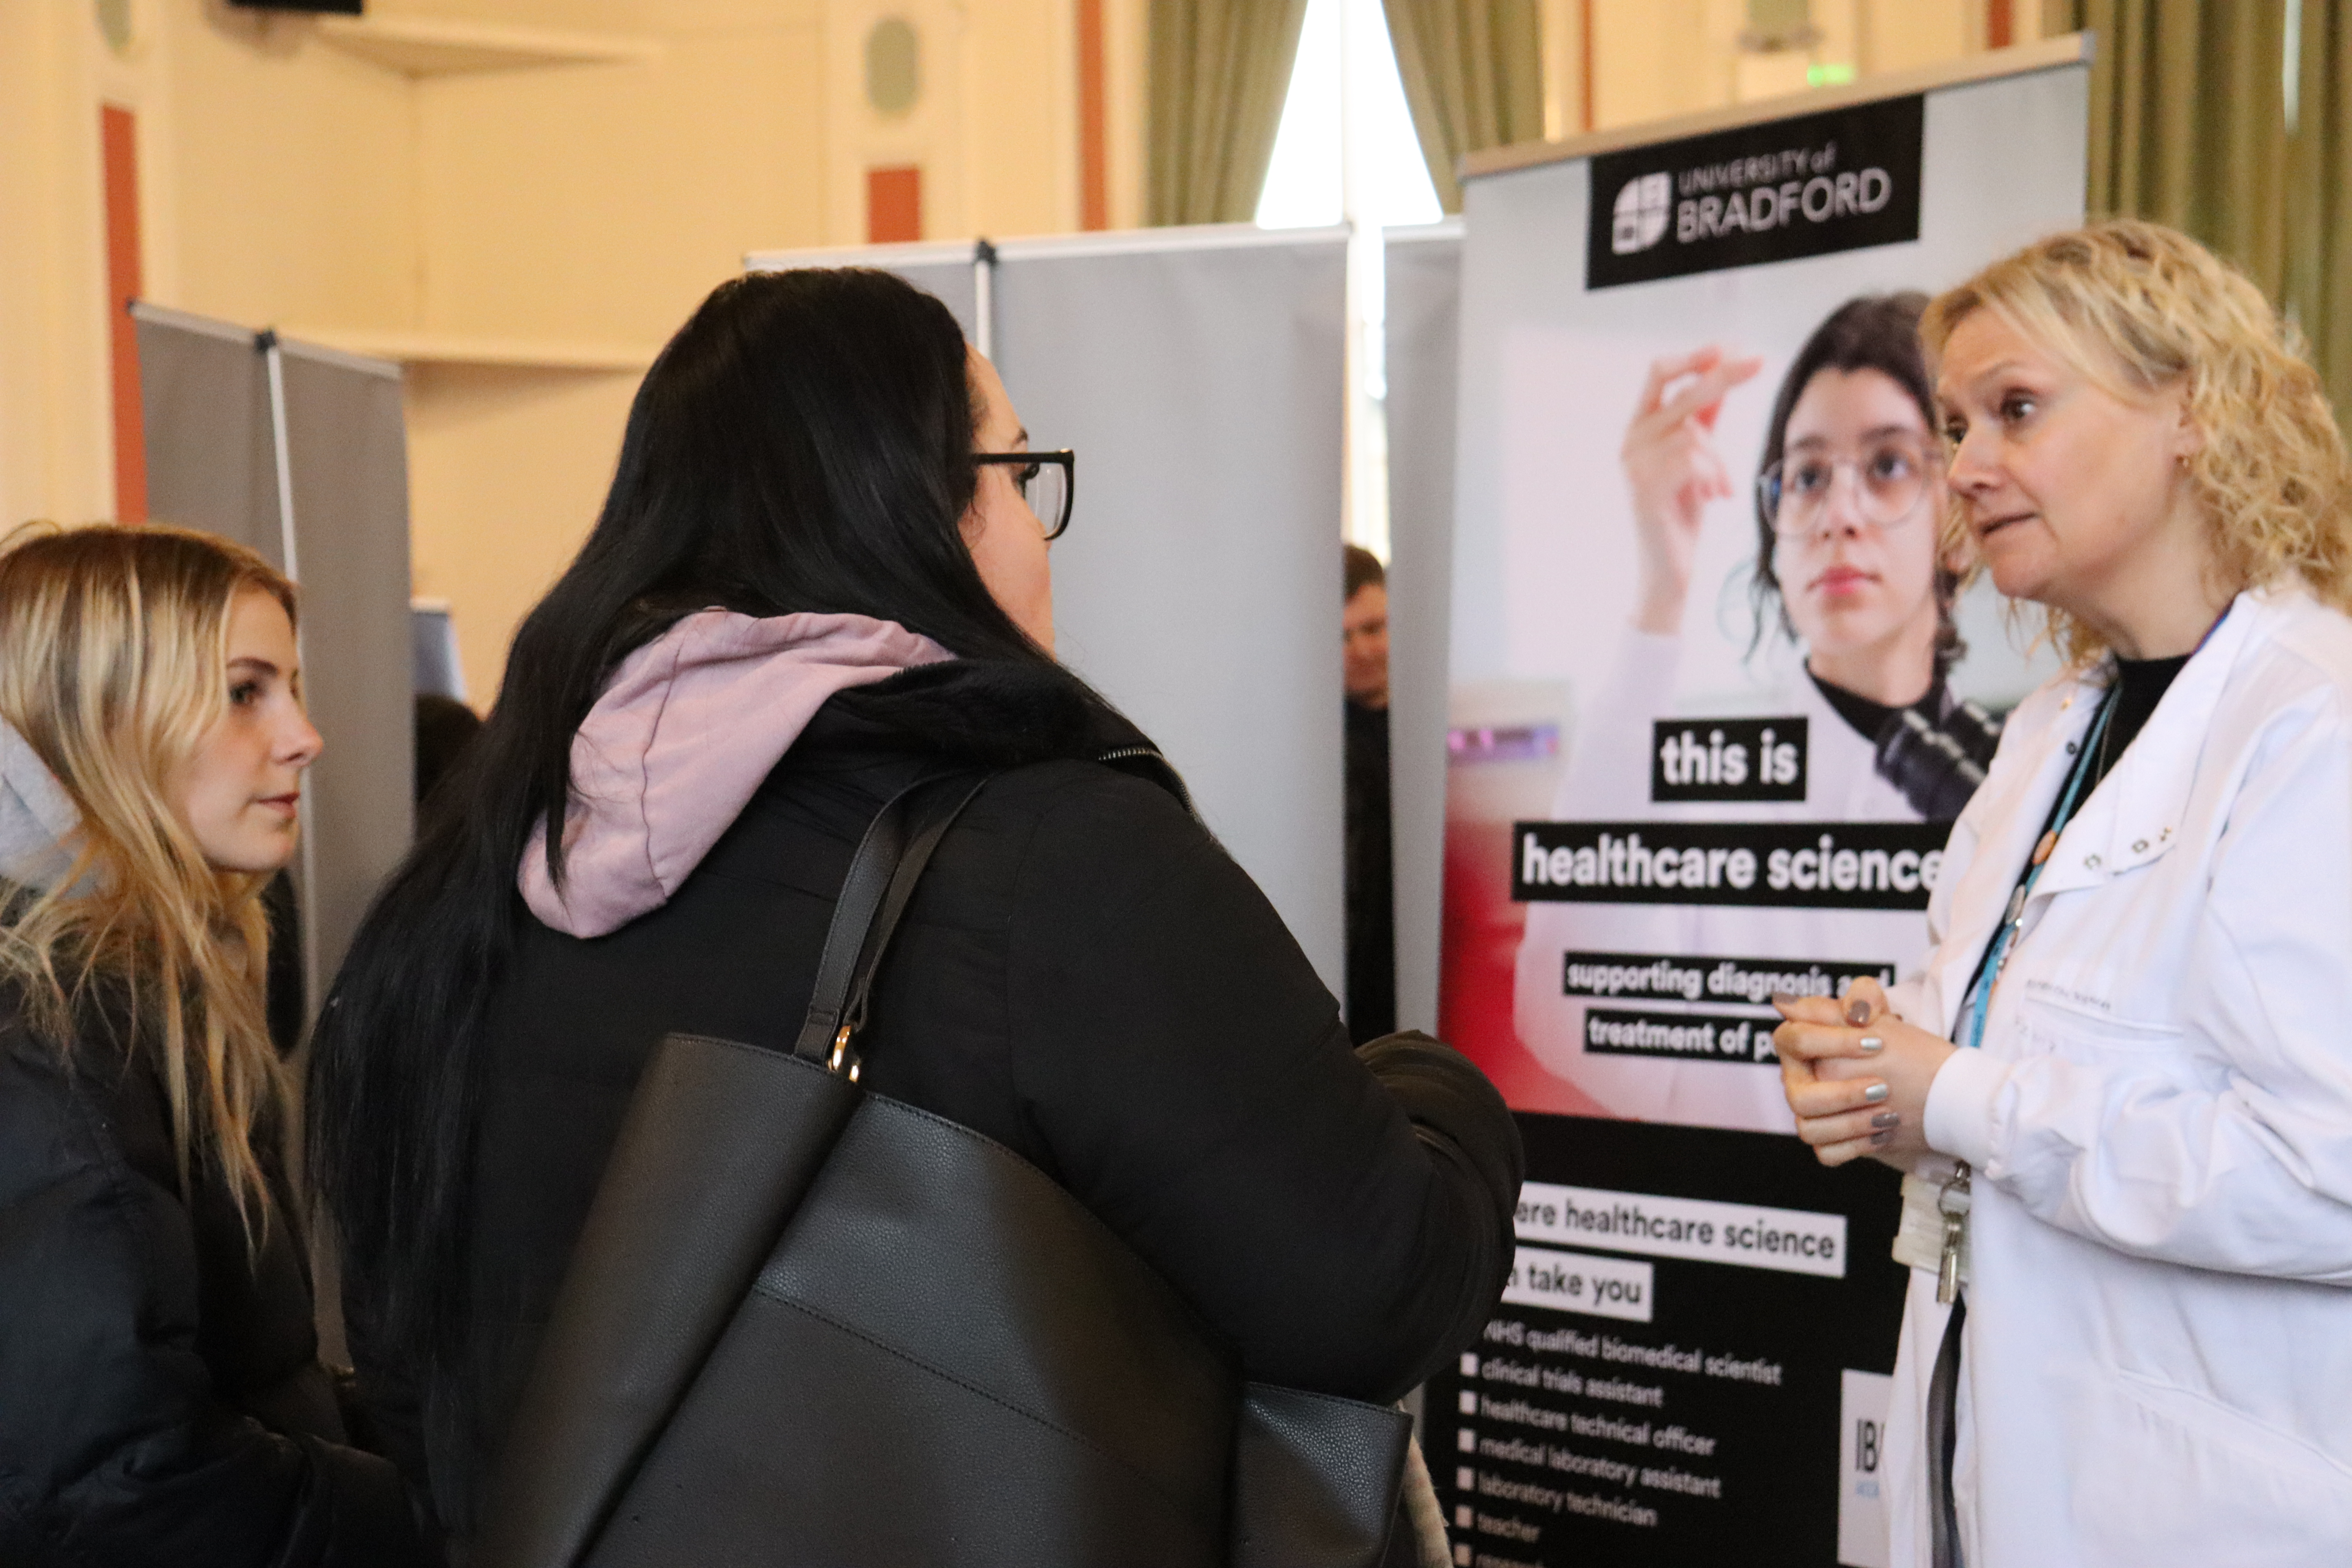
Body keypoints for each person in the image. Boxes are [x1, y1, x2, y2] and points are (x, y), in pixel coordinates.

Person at [307, 268, 1523, 1549]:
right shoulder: (1059, 861)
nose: (1035, 527)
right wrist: (1437, 1088)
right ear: (916, 511)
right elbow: (1381, 1290)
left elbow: (400, 1357)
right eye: (1013, 469)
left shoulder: (460, 882)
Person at [1775, 221, 2352, 1564]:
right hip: (2003, 1472)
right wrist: (1877, 1070)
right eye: (1959, 423)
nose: (1964, 469)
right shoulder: (2049, 730)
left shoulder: (2314, 725)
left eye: (2016, 410)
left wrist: (1957, 1096)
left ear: (2194, 414)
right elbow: (1996, 1041)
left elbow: (2327, 1174)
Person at [0, 524, 439, 1567]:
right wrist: (428, 1524)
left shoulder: (147, 986)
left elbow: (243, 1374)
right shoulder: (53, 1024)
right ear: (103, 718)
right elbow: (122, 1477)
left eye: (288, 686)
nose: (303, 736)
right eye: (247, 691)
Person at [1516, 293, 1987, 1131]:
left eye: (1886, 465)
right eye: (1807, 475)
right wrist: (1661, 588)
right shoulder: (1705, 779)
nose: (1839, 514)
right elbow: (1560, 1015)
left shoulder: (2016, 776)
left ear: (1956, 519)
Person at [1344, 543, 1396, 1042]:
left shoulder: (1440, 737)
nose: (1362, 650)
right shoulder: (1312, 757)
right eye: (1343, 636)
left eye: (1374, 629)